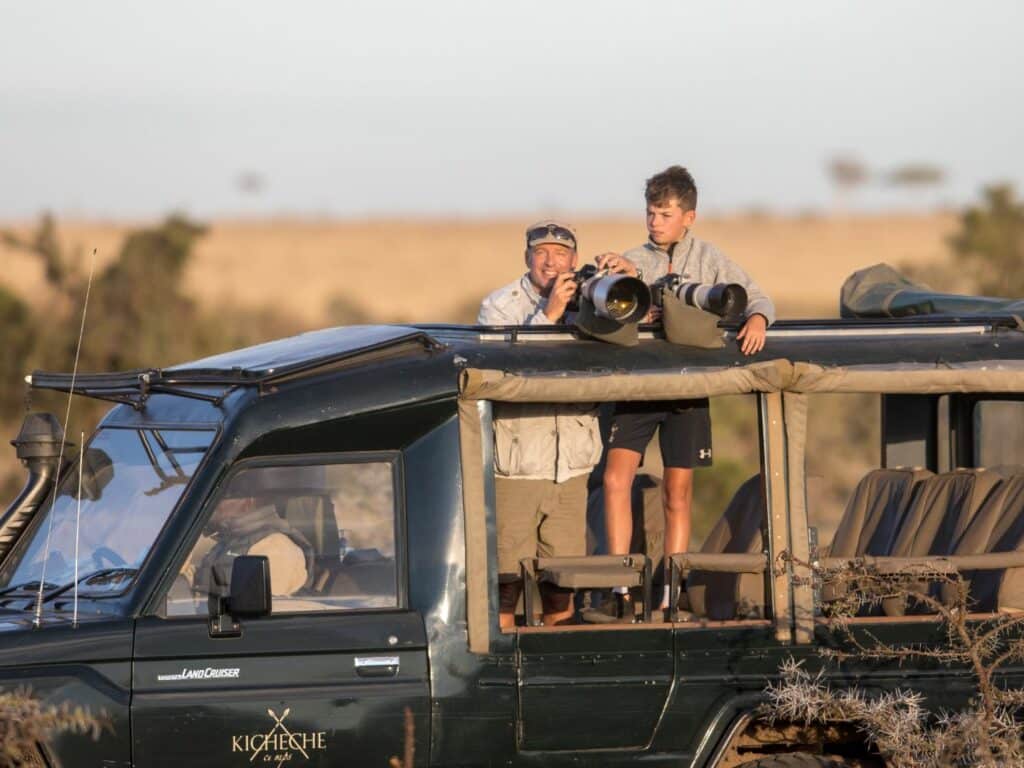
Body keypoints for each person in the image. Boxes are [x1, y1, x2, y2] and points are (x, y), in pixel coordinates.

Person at [593, 166, 776, 620]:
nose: (655, 222)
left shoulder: (711, 258)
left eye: (665, 213)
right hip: (637, 387)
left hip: (688, 390)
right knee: (616, 480)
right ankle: (620, 585)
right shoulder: (632, 257)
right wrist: (615, 275)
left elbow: (757, 297)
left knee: (678, 492)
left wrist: (758, 320)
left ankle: (671, 591)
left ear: (689, 217)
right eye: (651, 213)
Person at [478, 220, 603, 626]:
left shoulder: (592, 299)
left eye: (561, 253)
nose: (551, 262)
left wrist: (625, 283)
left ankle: (557, 672)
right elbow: (508, 372)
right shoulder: (499, 305)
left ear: (575, 260)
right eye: (541, 253)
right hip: (518, 462)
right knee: (506, 582)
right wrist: (548, 317)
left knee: (561, 585)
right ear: (527, 258)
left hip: (572, 463)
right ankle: (501, 671)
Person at [186, 491, 314, 598]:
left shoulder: (275, 547)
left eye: (225, 497)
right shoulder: (230, 542)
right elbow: (211, 585)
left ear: (247, 502)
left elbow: (266, 616)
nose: (217, 504)